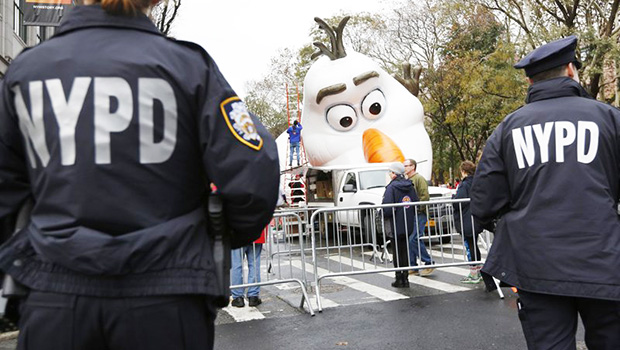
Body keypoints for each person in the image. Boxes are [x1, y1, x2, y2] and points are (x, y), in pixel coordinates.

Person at [0, 1, 280, 350]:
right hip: (167, 292)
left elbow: (6, 190)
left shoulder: (28, 71)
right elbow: (253, 175)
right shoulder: (188, 68)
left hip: (57, 293)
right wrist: (213, 239)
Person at [471, 35, 620, 349]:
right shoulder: (609, 119)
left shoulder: (509, 128)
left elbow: (483, 202)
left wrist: (510, 223)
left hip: (536, 266)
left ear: (529, 80)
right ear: (570, 70)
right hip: (605, 262)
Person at [382, 162, 418, 288]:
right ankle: (406, 278)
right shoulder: (410, 185)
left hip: (394, 224)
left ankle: (399, 278)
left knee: (397, 252)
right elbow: (415, 202)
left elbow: (386, 208)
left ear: (393, 174)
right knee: (404, 251)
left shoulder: (391, 188)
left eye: (390, 172)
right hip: (407, 223)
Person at [452, 161, 482, 284]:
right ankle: (478, 272)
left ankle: (474, 273)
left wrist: (453, 198)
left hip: (466, 218)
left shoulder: (464, 185)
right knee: (474, 244)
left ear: (463, 171)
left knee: (470, 245)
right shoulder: (477, 181)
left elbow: (460, 201)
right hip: (475, 216)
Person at [402, 159, 434, 276]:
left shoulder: (419, 179)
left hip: (419, 213)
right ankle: (413, 265)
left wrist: (418, 208)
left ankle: (429, 262)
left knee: (414, 238)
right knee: (410, 239)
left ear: (413, 167)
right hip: (412, 214)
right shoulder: (407, 179)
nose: (404, 168)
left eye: (406, 166)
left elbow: (424, 196)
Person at [230, 228, 266, 308]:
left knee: (236, 264)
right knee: (254, 264)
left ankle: (238, 297)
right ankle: (253, 296)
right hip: (255, 233)